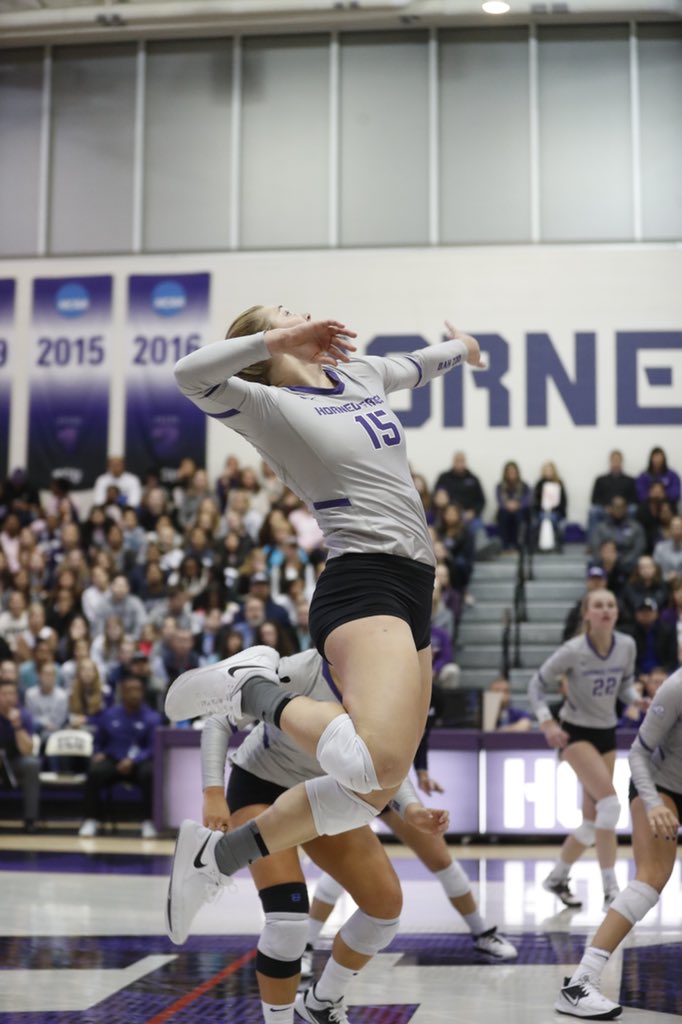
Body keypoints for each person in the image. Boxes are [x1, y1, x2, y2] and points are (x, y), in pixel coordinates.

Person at [164, 308, 485, 941]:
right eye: (285, 315)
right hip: (362, 578)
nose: (302, 316)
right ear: (265, 348)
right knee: (370, 763)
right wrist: (277, 340)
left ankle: (215, 860)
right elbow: (187, 376)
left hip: (414, 584)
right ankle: (251, 689)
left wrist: (465, 349)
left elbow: (425, 364)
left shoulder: (361, 374)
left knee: (375, 788)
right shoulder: (266, 404)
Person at [192, 646, 449, 1024]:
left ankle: (321, 1002)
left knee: (385, 908)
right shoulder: (299, 669)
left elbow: (386, 759)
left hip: (324, 794)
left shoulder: (384, 677)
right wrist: (213, 791)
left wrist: (411, 809)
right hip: (261, 786)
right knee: (287, 920)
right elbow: (219, 721)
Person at [555, 666, 682, 1020]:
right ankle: (580, 984)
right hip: (659, 786)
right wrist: (653, 804)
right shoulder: (675, 688)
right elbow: (638, 753)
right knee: (652, 877)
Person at [528, 588, 641, 910]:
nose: (605, 610)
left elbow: (625, 685)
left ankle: (557, 877)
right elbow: (536, 684)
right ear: (587, 614)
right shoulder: (573, 650)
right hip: (575, 733)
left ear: (617, 612)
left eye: (610, 605)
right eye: (598, 605)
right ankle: (611, 891)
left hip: (607, 731)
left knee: (594, 821)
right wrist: (547, 722)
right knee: (611, 806)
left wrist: (639, 700)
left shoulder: (627, 645)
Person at [78, 675, 161, 839]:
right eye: (130, 690)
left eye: (138, 690)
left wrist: (133, 760)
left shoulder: (152, 718)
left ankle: (148, 821)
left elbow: (153, 747)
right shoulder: (109, 715)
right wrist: (97, 752)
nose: (134, 694)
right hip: (113, 759)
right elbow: (98, 742)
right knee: (94, 771)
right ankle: (91, 820)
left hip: (139, 763)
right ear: (122, 692)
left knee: (150, 773)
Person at [0, 676, 40, 832]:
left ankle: (30, 820)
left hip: (15, 760)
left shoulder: (24, 715)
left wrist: (17, 726)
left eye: (12, 694)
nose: (9, 698)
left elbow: (27, 750)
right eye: (4, 694)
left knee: (32, 764)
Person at [587, 450, 638, 548]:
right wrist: (608, 507)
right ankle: (592, 545)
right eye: (614, 460)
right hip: (606, 509)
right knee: (593, 511)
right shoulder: (600, 479)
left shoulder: (630, 480)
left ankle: (631, 543)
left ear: (622, 462)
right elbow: (594, 499)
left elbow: (634, 499)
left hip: (624, 510)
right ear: (610, 461)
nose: (616, 463)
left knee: (633, 509)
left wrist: (623, 507)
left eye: (618, 460)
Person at [591, 496, 646, 575]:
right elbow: (595, 547)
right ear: (610, 509)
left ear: (626, 509)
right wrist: (607, 558)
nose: (619, 510)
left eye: (621, 507)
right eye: (616, 507)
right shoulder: (600, 528)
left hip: (629, 564)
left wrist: (621, 561)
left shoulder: (636, 527)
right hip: (605, 563)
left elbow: (639, 549)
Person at [562, 565, 608, 642]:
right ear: (587, 582)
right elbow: (567, 635)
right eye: (593, 580)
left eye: (599, 580)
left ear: (605, 582)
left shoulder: (615, 605)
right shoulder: (578, 608)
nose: (596, 583)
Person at [495, 460, 530, 552]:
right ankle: (504, 546)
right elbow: (499, 500)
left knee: (520, 516)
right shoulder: (500, 486)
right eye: (509, 471)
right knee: (503, 515)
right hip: (505, 510)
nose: (512, 473)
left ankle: (518, 545)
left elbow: (527, 500)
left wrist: (518, 505)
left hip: (520, 510)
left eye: (513, 471)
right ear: (505, 473)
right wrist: (507, 505)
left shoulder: (524, 486)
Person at [531, 461, 567, 553]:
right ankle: (538, 545)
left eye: (550, 470)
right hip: (541, 512)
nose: (548, 472)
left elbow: (563, 502)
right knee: (540, 519)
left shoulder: (559, 483)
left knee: (551, 518)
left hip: (556, 512)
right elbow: (535, 501)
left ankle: (556, 544)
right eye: (546, 470)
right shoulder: (539, 484)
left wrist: (554, 508)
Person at [653, 514, 682, 582]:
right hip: (664, 583)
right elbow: (655, 571)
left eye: (679, 528)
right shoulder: (660, 548)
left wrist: (679, 576)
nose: (676, 531)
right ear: (669, 530)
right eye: (674, 528)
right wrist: (666, 577)